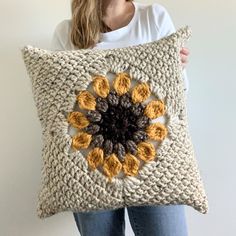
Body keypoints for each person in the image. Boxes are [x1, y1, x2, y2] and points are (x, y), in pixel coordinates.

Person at [50, 1, 190, 235]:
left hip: (155, 160)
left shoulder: (152, 17)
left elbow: (177, 99)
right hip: (89, 164)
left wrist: (177, 69)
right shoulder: (67, 32)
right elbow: (58, 108)